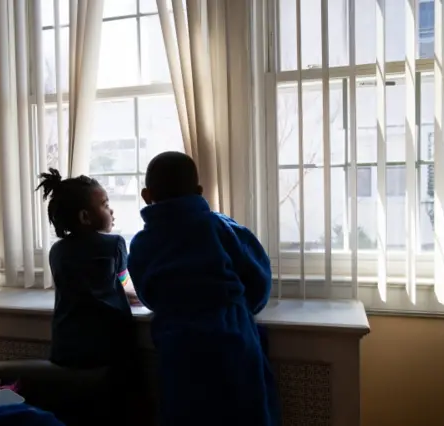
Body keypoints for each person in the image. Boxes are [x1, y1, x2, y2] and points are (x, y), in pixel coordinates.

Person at [127, 152, 280, 426]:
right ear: (199, 191)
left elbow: (148, 294)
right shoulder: (222, 227)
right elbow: (259, 278)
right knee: (245, 411)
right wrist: (244, 307)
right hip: (231, 337)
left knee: (185, 413)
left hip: (178, 344)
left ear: (146, 195)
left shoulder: (141, 244)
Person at [36, 169, 139, 425]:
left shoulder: (56, 251)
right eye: (105, 205)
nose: (111, 211)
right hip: (108, 347)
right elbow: (125, 284)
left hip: (66, 347)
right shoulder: (114, 244)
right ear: (85, 216)